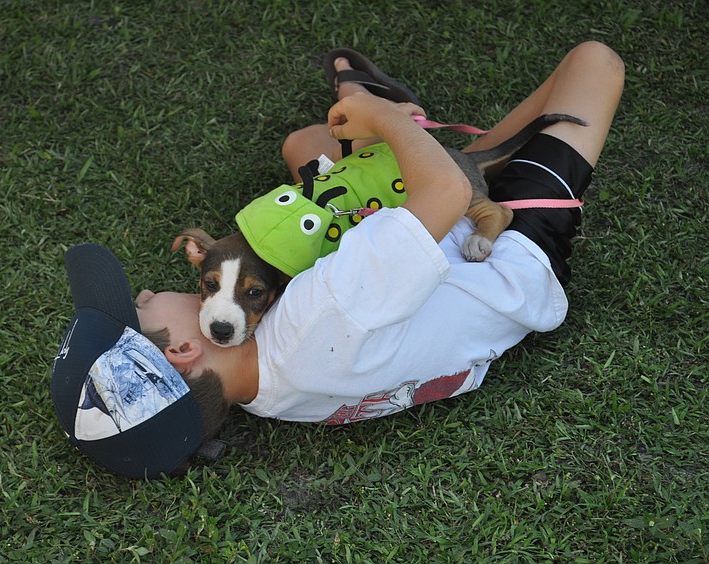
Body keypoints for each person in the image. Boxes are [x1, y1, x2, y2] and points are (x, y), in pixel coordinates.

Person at [51, 41, 624, 478]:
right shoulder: (319, 313)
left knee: (307, 147)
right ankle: (412, 124)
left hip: (439, 277)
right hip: (510, 258)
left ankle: (423, 136)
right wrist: (383, 121)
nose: (145, 293)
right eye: (136, 308)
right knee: (593, 63)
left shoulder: (265, 395)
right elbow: (447, 195)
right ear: (181, 352)